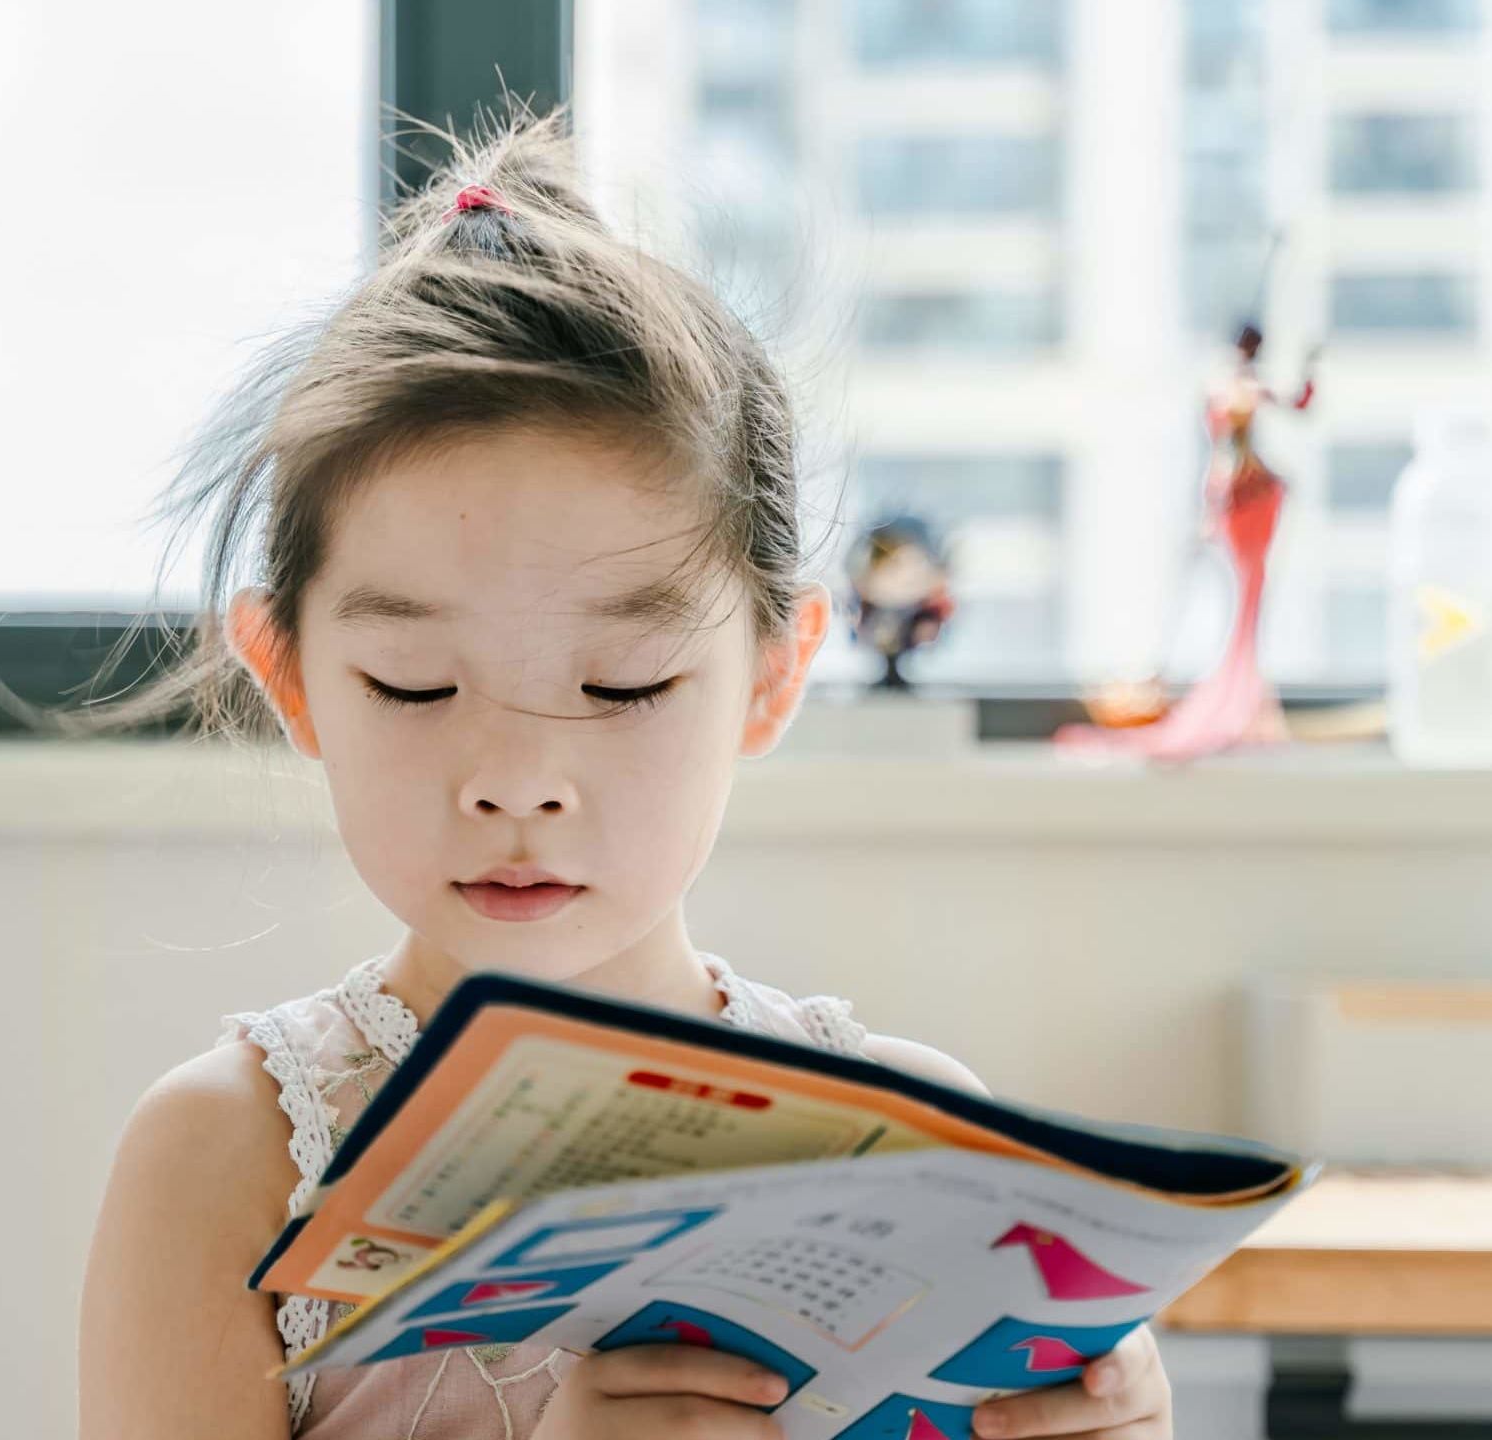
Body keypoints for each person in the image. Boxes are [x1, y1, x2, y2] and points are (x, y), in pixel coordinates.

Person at [75, 109, 1174, 1440]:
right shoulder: (230, 1159)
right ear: (290, 673)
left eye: (626, 686)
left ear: (774, 674)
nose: (519, 780)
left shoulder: (921, 1147)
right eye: (415, 688)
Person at [1057, 322, 1316, 761]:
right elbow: (1256, 423)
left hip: (1245, 494)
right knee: (1242, 600)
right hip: (1240, 494)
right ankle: (1234, 700)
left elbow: (1297, 405)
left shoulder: (1234, 391)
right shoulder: (1234, 392)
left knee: (1250, 600)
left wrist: (1307, 371)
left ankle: (1245, 700)